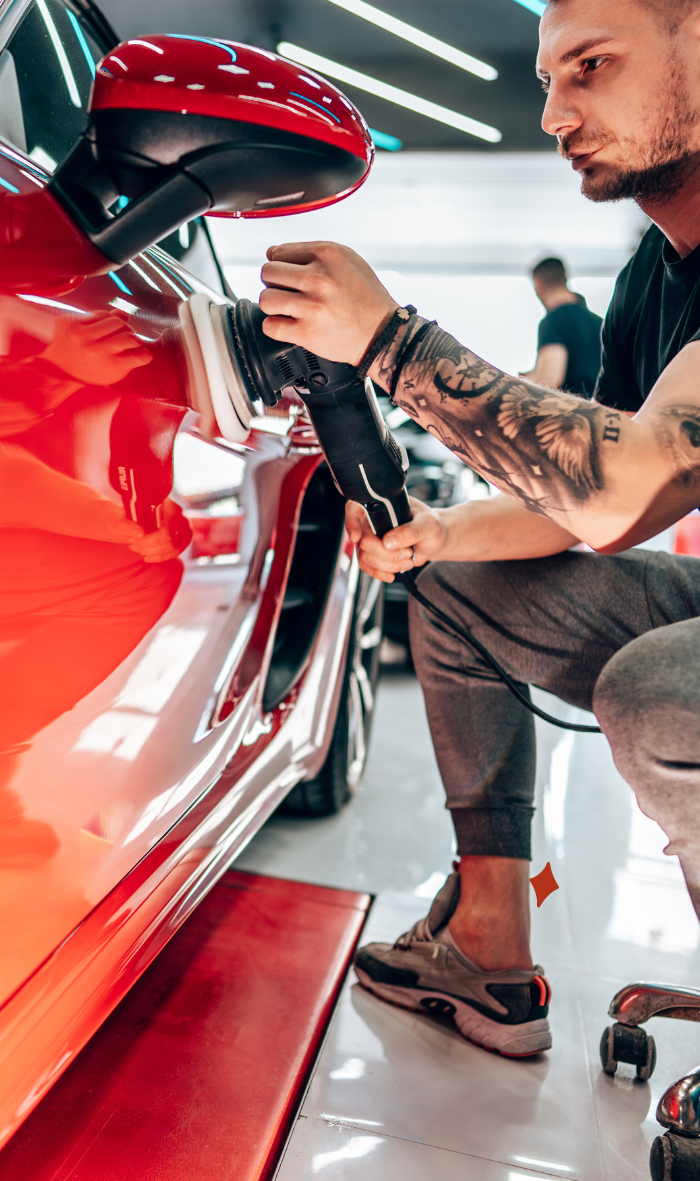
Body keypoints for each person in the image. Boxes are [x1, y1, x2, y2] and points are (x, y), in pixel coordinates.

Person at [255, 0, 700, 1067]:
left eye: (589, 66)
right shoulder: (651, 275)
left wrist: (391, 339)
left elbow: (623, 483)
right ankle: (485, 942)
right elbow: (580, 504)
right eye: (546, 78)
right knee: (451, 579)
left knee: (657, 689)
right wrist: (436, 536)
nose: (552, 111)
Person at [523, 256, 603, 394]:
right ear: (564, 279)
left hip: (572, 411)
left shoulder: (554, 320)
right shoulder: (600, 322)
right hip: (602, 410)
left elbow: (549, 381)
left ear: (539, 285)